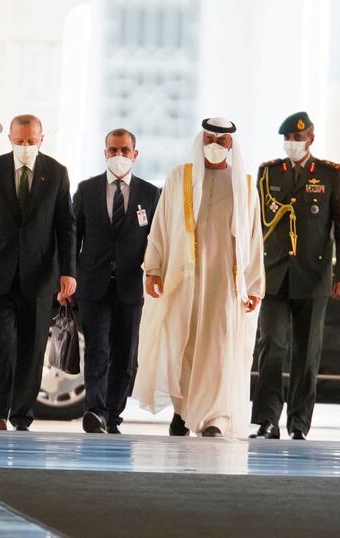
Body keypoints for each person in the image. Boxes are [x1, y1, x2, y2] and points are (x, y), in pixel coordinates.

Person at [133, 117, 264, 438]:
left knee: (219, 348)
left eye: (222, 142)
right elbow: (161, 226)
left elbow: (253, 239)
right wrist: (153, 269)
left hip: (225, 284)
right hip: (183, 279)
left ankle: (215, 419)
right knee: (184, 345)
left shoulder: (245, 185)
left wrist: (254, 285)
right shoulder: (180, 177)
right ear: (200, 140)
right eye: (210, 140)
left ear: (232, 145)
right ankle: (183, 412)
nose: (215, 147)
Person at [250, 112, 340, 440]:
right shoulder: (269, 172)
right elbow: (255, 226)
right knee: (272, 346)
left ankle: (298, 424)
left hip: (313, 276)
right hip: (274, 275)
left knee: (307, 353)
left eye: (298, 138)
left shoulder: (330, 175)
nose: (292, 144)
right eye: (288, 139)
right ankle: (266, 420)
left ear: (311, 137)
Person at [0, 114, 76, 431]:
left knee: (31, 350)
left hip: (40, 276)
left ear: (41, 139)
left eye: (31, 141)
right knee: (0, 343)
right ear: (11, 140)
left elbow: (65, 225)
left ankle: (21, 415)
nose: (25, 146)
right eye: (19, 142)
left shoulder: (56, 173)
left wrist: (68, 272)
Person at [73, 128, 160, 434]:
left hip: (130, 286)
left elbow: (157, 241)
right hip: (93, 284)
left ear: (135, 155)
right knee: (97, 351)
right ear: (104, 153)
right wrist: (69, 277)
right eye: (113, 150)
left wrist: (154, 273)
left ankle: (112, 415)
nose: (119, 155)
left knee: (125, 356)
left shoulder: (151, 194)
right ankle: (94, 412)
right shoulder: (86, 190)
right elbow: (74, 237)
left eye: (124, 150)